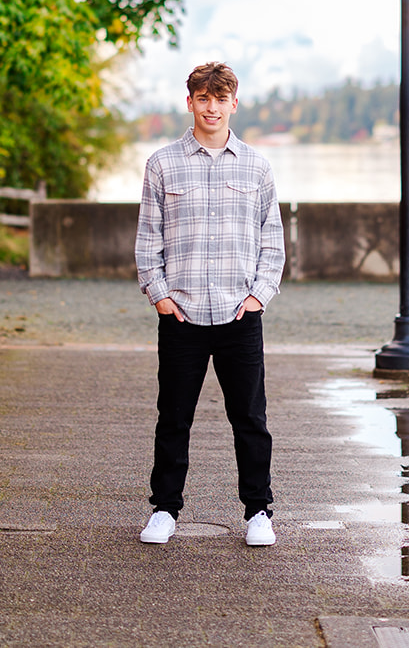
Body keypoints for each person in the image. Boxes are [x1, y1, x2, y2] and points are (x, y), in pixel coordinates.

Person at [135, 61, 285, 547]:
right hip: (182, 314)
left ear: (234, 104)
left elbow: (273, 241)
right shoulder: (162, 163)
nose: (212, 107)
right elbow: (147, 239)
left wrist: (259, 296)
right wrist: (159, 295)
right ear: (191, 103)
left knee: (250, 419)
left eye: (221, 99)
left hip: (240, 314)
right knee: (174, 417)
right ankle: (164, 510)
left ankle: (258, 512)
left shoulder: (258, 167)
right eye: (203, 98)